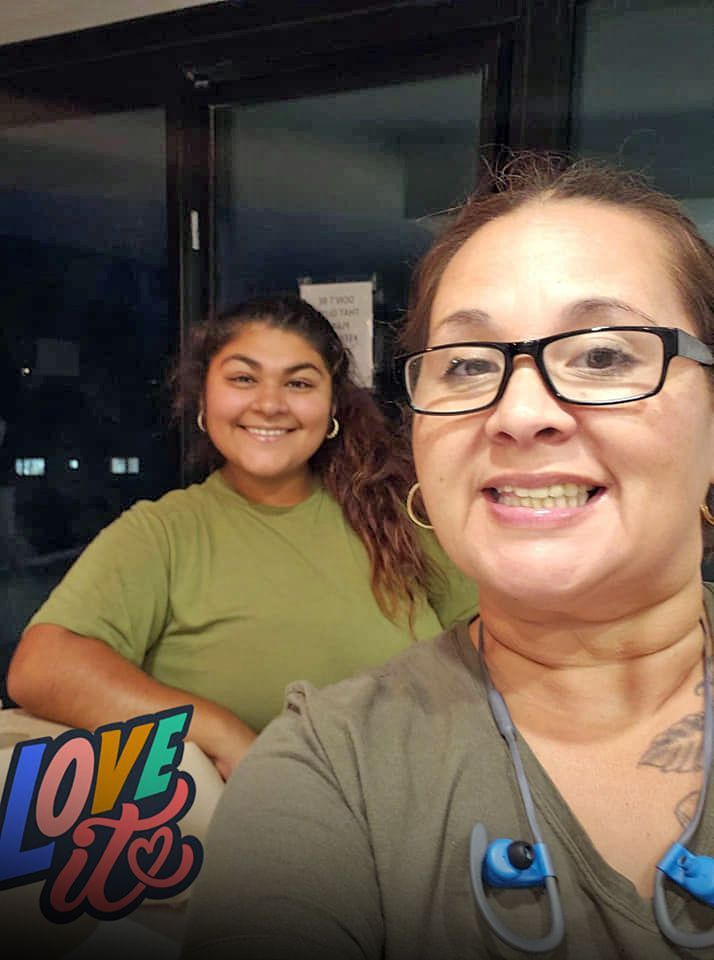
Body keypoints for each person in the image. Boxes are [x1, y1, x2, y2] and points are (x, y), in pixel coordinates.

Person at [180, 155, 714, 959]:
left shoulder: (372, 521)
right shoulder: (331, 767)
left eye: (603, 355)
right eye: (467, 365)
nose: (521, 411)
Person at [6, 294, 477, 780]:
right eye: (243, 379)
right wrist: (222, 733)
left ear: (332, 405)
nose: (270, 404)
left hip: (435, 811)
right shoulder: (164, 534)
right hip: (267, 837)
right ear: (204, 398)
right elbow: (42, 666)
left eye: (298, 382)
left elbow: (496, 647)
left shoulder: (397, 516)